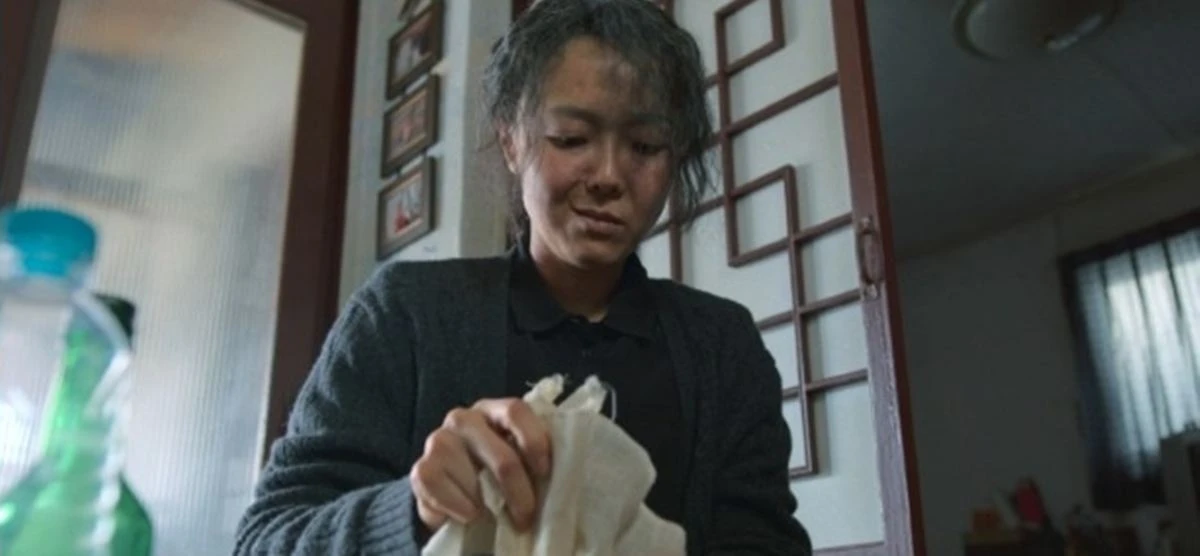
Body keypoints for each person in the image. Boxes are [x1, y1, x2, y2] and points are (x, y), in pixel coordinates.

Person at [234, 0, 812, 554]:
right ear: (512, 140)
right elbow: (267, 540)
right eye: (571, 139)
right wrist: (415, 508)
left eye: (645, 145)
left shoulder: (722, 345)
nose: (609, 175)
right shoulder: (404, 314)